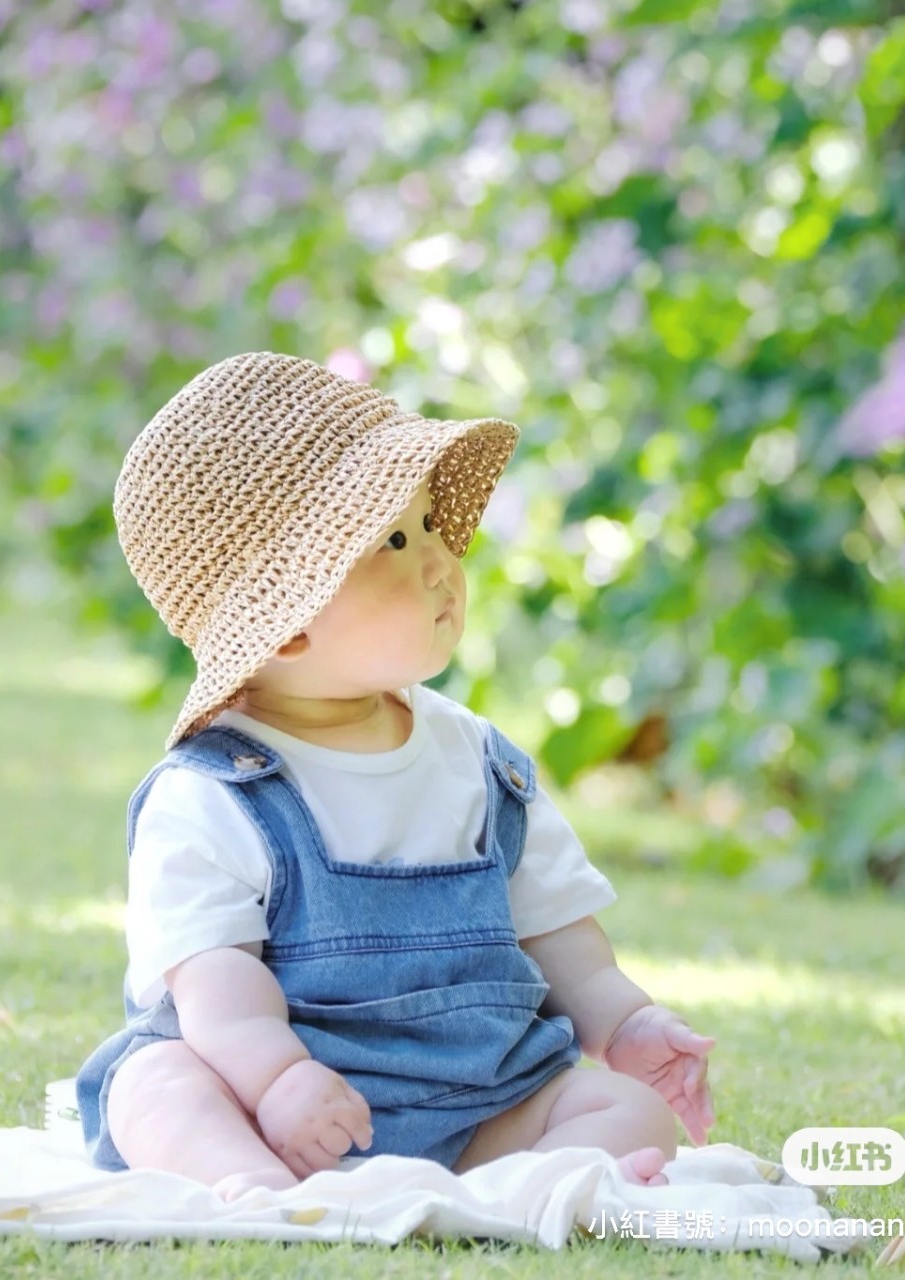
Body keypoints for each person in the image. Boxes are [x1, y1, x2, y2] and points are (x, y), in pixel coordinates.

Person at [75, 351, 716, 1202]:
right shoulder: (212, 794)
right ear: (287, 623)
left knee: (627, 1110)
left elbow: (558, 933)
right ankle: (258, 1191)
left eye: (430, 525)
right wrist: (277, 1082)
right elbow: (213, 989)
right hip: (269, 1096)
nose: (439, 562)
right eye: (396, 540)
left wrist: (626, 1023)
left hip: (475, 1095)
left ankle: (522, 1187)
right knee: (157, 1090)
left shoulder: (479, 762)